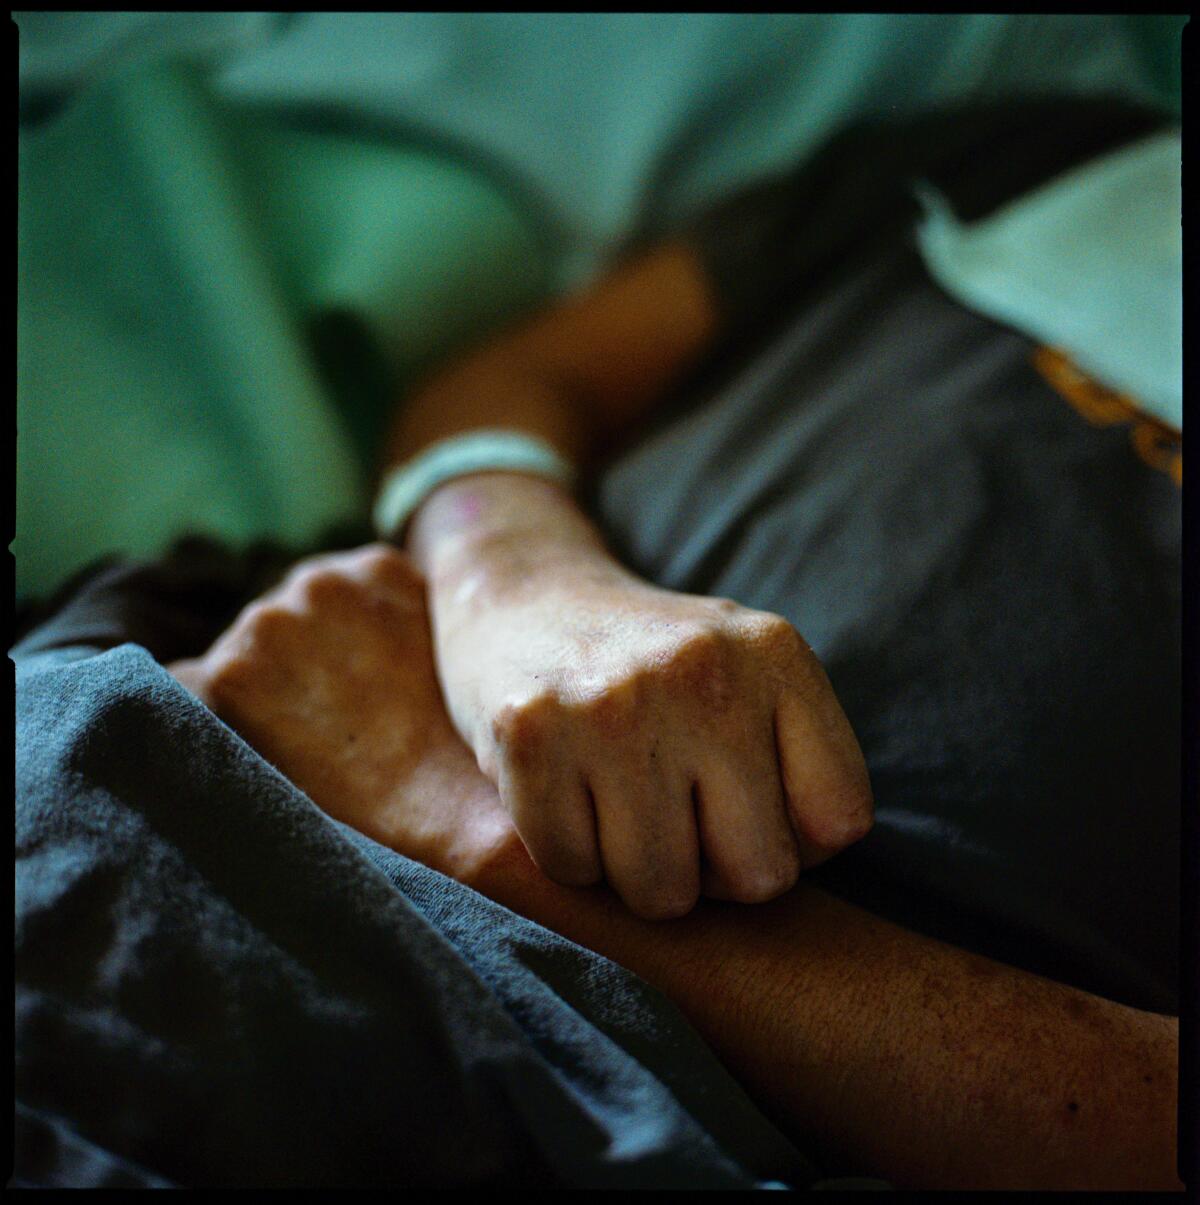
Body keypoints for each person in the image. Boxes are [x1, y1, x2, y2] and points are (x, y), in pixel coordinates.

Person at [164, 96, 1183, 1190]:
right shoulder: (1045, 150)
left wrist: (466, 821)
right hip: (297, 672)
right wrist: (519, 589)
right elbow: (523, 378)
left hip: (637, 1092)